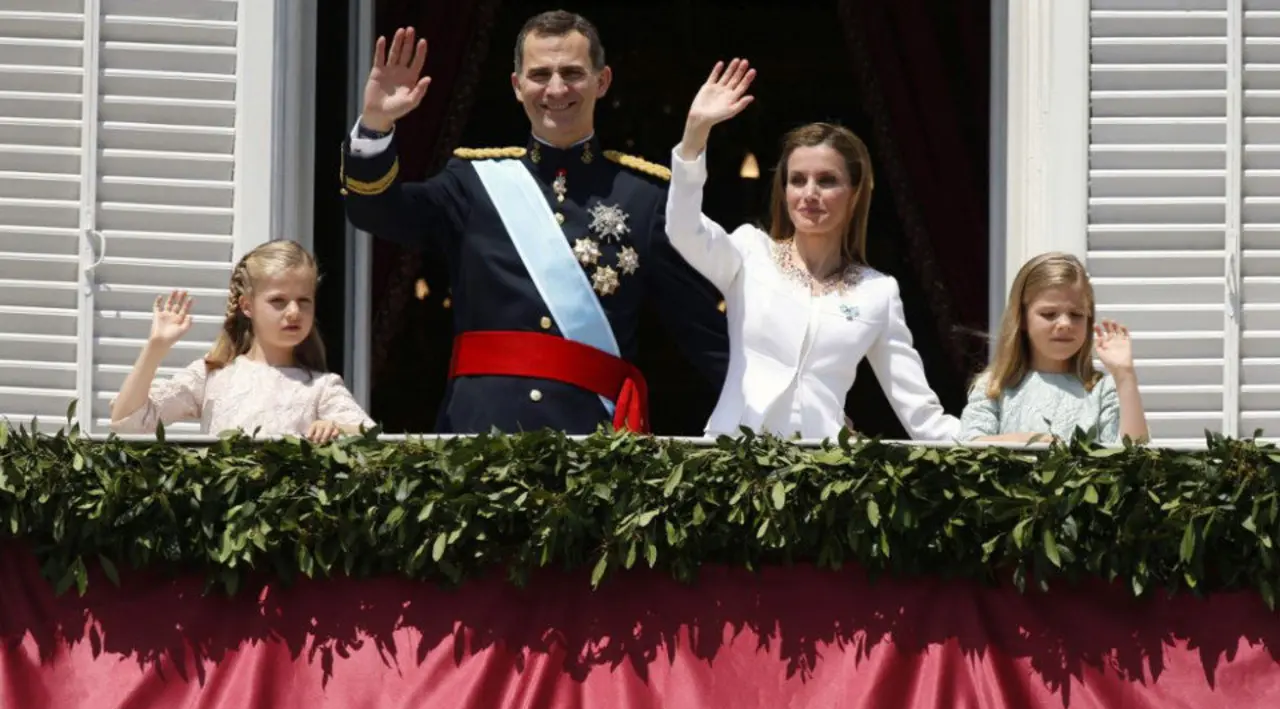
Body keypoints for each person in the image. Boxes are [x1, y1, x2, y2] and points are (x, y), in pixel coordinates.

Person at [339, 12, 728, 435]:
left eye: (573, 73)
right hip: (480, 443)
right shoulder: (472, 184)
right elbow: (373, 210)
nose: (556, 89)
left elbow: (705, 337)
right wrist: (376, 125)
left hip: (595, 451)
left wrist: (779, 434)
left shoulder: (645, 198)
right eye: (540, 74)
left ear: (603, 81)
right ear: (517, 85)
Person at [665, 59, 959, 441]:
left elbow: (922, 415)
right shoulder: (750, 253)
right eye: (797, 180)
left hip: (822, 474)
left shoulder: (878, 292)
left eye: (827, 181)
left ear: (854, 194)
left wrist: (995, 444)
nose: (809, 194)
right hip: (733, 462)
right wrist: (695, 135)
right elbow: (683, 229)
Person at [109, 240, 373, 441]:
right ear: (247, 306)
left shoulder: (321, 387)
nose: (293, 312)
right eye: (278, 301)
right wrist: (156, 347)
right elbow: (128, 424)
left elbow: (374, 440)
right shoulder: (212, 375)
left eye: (304, 301)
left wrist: (337, 429)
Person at [960, 252, 1150, 443]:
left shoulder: (1102, 390)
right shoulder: (994, 386)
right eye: (1049, 314)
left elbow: (1134, 456)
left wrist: (1125, 376)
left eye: (1076, 314)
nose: (1065, 323)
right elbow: (970, 446)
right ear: (1022, 318)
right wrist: (1033, 442)